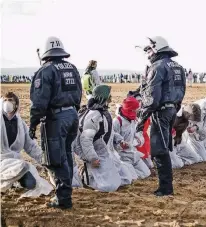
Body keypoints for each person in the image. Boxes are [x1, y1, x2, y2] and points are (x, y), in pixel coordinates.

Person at [29, 36, 82, 209]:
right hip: (72, 116)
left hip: (56, 119)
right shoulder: (72, 68)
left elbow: (39, 103)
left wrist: (33, 124)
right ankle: (66, 193)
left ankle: (63, 198)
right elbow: (78, 94)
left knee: (55, 158)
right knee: (66, 154)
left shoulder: (46, 71)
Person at [136, 36, 186, 196]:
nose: (148, 53)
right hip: (172, 110)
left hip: (161, 111)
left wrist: (142, 119)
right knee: (163, 147)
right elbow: (181, 91)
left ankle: (165, 188)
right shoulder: (178, 67)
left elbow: (152, 98)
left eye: (149, 50)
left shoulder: (157, 67)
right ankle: (166, 186)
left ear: (156, 48)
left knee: (159, 150)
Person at [0, 92, 53, 196]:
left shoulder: (20, 124)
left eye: (10, 100)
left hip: (15, 163)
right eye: (5, 100)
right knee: (23, 166)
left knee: (32, 183)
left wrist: (45, 161)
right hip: (1, 161)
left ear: (16, 105)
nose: (7, 103)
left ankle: (13, 181)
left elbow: (31, 146)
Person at [73, 85, 122, 191]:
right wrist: (92, 158)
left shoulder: (102, 112)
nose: (111, 97)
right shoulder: (95, 115)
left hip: (102, 152)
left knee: (122, 178)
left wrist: (119, 139)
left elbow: (108, 131)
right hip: (94, 154)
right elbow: (86, 139)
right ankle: (83, 175)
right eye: (109, 95)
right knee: (109, 186)